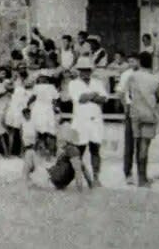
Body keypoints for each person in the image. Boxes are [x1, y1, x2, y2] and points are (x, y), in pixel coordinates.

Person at [68, 57, 108, 187]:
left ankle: (96, 177)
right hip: (81, 121)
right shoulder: (73, 83)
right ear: (79, 71)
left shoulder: (97, 82)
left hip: (95, 120)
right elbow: (80, 98)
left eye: (88, 70)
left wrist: (90, 96)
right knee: (78, 151)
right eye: (83, 70)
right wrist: (93, 95)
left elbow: (104, 99)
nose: (86, 72)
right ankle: (79, 178)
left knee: (95, 149)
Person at [123, 51, 159, 187]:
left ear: (140, 62)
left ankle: (138, 177)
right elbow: (158, 96)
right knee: (144, 146)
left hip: (135, 114)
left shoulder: (132, 77)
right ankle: (142, 178)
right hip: (149, 114)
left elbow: (128, 94)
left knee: (136, 143)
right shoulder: (155, 78)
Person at [116, 53, 139, 182]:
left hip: (141, 109)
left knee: (140, 142)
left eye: (134, 61)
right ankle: (128, 172)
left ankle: (141, 174)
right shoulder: (125, 74)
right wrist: (125, 105)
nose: (132, 64)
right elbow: (120, 91)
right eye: (129, 61)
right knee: (129, 142)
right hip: (130, 108)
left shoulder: (143, 74)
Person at [28, 73, 59, 158]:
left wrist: (54, 107)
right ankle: (41, 151)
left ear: (47, 78)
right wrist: (28, 104)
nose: (42, 79)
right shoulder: (37, 87)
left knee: (50, 131)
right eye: (40, 77)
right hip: (38, 109)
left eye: (44, 77)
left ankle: (52, 152)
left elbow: (55, 99)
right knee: (40, 130)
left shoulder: (51, 87)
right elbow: (33, 97)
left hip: (48, 109)